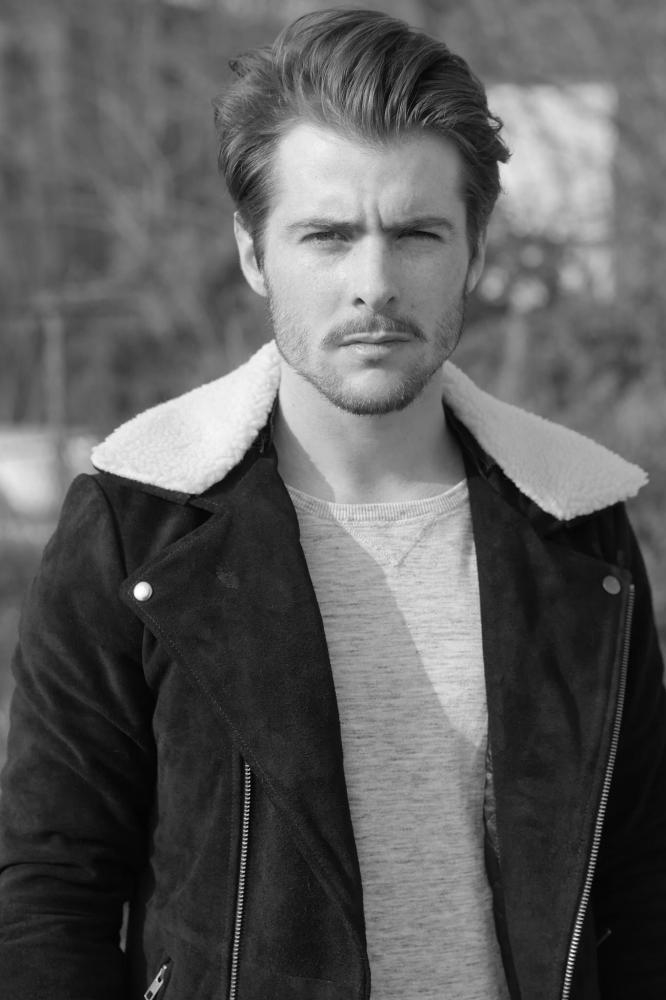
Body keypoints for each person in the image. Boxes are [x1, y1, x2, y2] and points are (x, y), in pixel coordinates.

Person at [1, 8, 664, 999]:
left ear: (475, 251)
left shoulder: (576, 523)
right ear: (253, 252)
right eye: (328, 235)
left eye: (417, 234)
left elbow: (642, 890)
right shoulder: (136, 524)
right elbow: (50, 898)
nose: (374, 284)